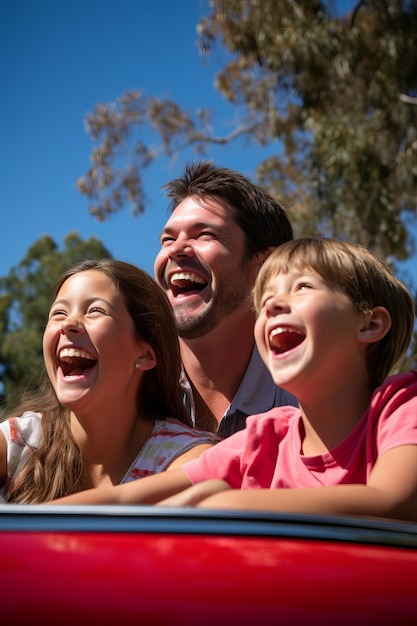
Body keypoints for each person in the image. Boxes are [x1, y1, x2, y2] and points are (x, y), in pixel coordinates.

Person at [51, 238, 417, 524]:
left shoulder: (400, 408)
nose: (272, 305)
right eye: (266, 299)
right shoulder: (264, 440)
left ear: (369, 324)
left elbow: (392, 501)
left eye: (302, 287)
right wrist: (30, 525)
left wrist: (227, 506)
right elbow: (124, 498)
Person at [0, 259, 219, 504]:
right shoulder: (17, 444)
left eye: (95, 310)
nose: (69, 324)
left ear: (144, 355)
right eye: (59, 313)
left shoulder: (187, 459)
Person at [154, 160, 297, 436]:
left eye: (204, 234)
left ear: (265, 267)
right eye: (168, 240)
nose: (176, 250)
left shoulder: (315, 402)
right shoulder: (123, 390)